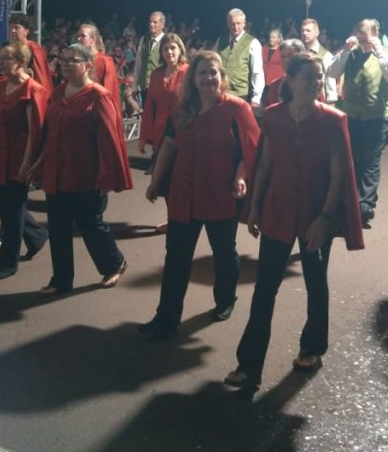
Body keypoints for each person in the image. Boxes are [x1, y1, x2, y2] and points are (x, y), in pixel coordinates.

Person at [225, 54, 364, 389]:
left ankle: (312, 347)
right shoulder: (273, 117)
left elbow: (338, 174)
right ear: (290, 80)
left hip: (316, 214)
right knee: (265, 288)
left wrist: (325, 218)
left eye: (319, 77)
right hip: (278, 210)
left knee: (316, 282)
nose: (316, 83)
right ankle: (249, 365)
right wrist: (255, 206)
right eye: (309, 77)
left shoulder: (333, 120)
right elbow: (265, 163)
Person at [139, 51, 259, 339]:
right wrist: (156, 181)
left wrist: (240, 176)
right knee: (176, 257)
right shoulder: (183, 109)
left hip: (220, 193)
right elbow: (170, 145)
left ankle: (225, 299)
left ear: (222, 76)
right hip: (185, 193)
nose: (208, 78)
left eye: (213, 72)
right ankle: (166, 318)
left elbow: (250, 149)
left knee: (224, 252)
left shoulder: (236, 109)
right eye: (202, 72)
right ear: (192, 78)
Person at [28, 42, 132, 294]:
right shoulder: (58, 93)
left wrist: (107, 176)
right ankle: (61, 280)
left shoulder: (98, 96)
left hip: (86, 174)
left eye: (72, 60)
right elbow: (49, 132)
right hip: (57, 173)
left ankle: (114, 263)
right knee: (58, 228)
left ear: (87, 65)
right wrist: (37, 164)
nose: (65, 64)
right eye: (63, 60)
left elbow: (109, 139)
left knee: (91, 225)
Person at [0, 42, 48, 279]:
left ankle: (7, 263)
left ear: (22, 62)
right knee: (6, 205)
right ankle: (36, 235)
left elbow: (34, 132)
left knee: (13, 211)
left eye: (7, 58)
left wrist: (26, 164)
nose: (2, 62)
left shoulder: (33, 90)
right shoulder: (0, 86)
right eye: (2, 58)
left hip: (19, 156)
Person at [326, 18, 388, 228]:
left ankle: (365, 204)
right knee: (353, 157)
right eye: (361, 35)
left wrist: (379, 52)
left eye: (367, 35)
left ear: (375, 34)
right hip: (352, 113)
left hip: (376, 115)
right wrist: (345, 51)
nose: (363, 40)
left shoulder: (387, 52)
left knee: (371, 159)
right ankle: (352, 198)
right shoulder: (351, 52)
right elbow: (331, 72)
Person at [139, 33, 189, 233]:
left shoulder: (188, 72)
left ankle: (184, 218)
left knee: (182, 178)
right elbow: (149, 106)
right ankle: (172, 219)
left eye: (173, 48)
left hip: (182, 131)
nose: (169, 52)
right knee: (166, 178)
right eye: (166, 49)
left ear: (180, 50)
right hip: (160, 133)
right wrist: (144, 136)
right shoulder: (156, 74)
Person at [215, 8, 264, 107]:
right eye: (232, 24)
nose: (235, 27)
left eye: (238, 23)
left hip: (241, 95)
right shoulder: (221, 40)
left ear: (244, 23)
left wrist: (256, 98)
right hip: (220, 93)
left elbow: (257, 72)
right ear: (228, 24)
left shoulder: (253, 43)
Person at [74, 22, 121, 105]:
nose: (79, 39)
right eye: (78, 36)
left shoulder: (105, 61)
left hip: (97, 107)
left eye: (83, 36)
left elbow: (109, 92)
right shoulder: (77, 60)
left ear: (92, 40)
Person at [9, 13, 54, 97]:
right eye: (11, 28)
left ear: (26, 31)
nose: (13, 31)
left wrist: (41, 97)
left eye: (16, 27)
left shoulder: (34, 48)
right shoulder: (11, 48)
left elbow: (42, 76)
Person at [133, 11, 167, 108]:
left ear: (162, 25)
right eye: (150, 22)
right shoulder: (144, 39)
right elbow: (138, 64)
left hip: (160, 88)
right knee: (146, 115)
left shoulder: (166, 40)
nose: (151, 24)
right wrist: (134, 86)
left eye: (155, 22)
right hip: (144, 88)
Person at [299, 18, 337, 103]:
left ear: (317, 33)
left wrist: (331, 102)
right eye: (302, 30)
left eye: (308, 30)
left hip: (318, 101)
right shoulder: (298, 53)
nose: (304, 33)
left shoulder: (326, 56)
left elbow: (330, 83)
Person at [259, 39, 304, 107]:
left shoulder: (313, 82)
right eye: (283, 56)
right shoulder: (275, 86)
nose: (286, 60)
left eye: (290, 56)